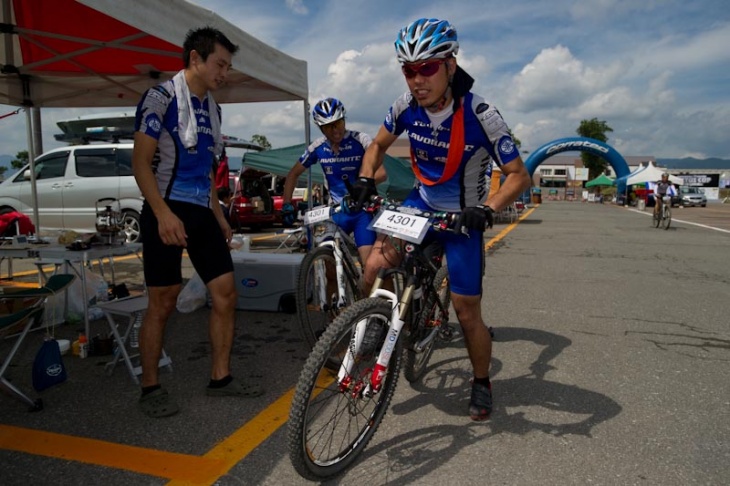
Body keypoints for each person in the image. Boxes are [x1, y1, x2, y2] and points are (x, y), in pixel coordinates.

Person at [349, 18, 531, 421]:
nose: (417, 79)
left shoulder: (481, 113)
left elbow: (519, 175)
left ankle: (482, 381)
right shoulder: (404, 106)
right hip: (421, 203)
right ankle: (371, 326)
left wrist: (487, 208)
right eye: (409, 70)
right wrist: (365, 178)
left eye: (427, 67)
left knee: (467, 312)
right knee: (375, 265)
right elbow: (377, 145)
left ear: (450, 65)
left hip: (464, 216)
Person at [132, 26, 263, 418]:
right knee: (163, 301)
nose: (225, 73)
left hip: (200, 209)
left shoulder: (213, 108)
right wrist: (162, 214)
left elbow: (207, 167)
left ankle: (220, 378)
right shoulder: (159, 98)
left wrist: (219, 213)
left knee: (225, 293)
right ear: (195, 59)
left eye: (228, 66)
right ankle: (150, 387)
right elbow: (140, 164)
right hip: (164, 206)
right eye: (219, 64)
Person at [281, 98, 387, 266]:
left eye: (338, 123)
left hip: (362, 211)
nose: (335, 130)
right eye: (328, 127)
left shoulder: (360, 139)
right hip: (336, 212)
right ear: (320, 128)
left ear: (344, 119)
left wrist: (358, 190)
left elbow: (381, 174)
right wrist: (286, 204)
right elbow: (293, 174)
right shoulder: (318, 147)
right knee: (329, 267)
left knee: (369, 265)